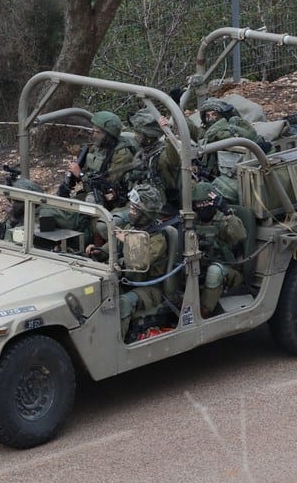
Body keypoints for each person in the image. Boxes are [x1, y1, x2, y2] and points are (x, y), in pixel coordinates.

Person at [86, 184, 171, 341]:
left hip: (149, 289)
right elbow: (111, 249)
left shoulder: (157, 240)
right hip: (126, 282)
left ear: (145, 214)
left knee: (124, 303)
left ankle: (116, 345)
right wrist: (97, 251)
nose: (130, 212)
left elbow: (138, 262)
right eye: (131, 208)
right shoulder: (130, 228)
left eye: (134, 210)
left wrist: (127, 239)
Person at [190, 181, 247, 318]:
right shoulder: (193, 222)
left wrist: (227, 211)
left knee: (214, 272)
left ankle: (203, 313)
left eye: (206, 203)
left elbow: (241, 235)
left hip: (228, 272)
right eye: (199, 204)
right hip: (199, 268)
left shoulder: (222, 221)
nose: (202, 206)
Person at [60, 110, 138, 209]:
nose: (93, 135)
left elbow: (107, 185)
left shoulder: (122, 155)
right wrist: (72, 177)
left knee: (70, 214)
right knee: (56, 209)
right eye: (93, 130)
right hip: (90, 192)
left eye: (97, 132)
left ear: (108, 136)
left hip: (109, 201)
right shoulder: (97, 147)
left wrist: (80, 174)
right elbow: (89, 171)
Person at [124, 108, 184, 211]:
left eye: (138, 133)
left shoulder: (162, 156)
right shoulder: (143, 151)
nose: (135, 136)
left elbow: (173, 158)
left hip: (157, 208)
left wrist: (170, 134)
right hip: (138, 201)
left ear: (148, 137)